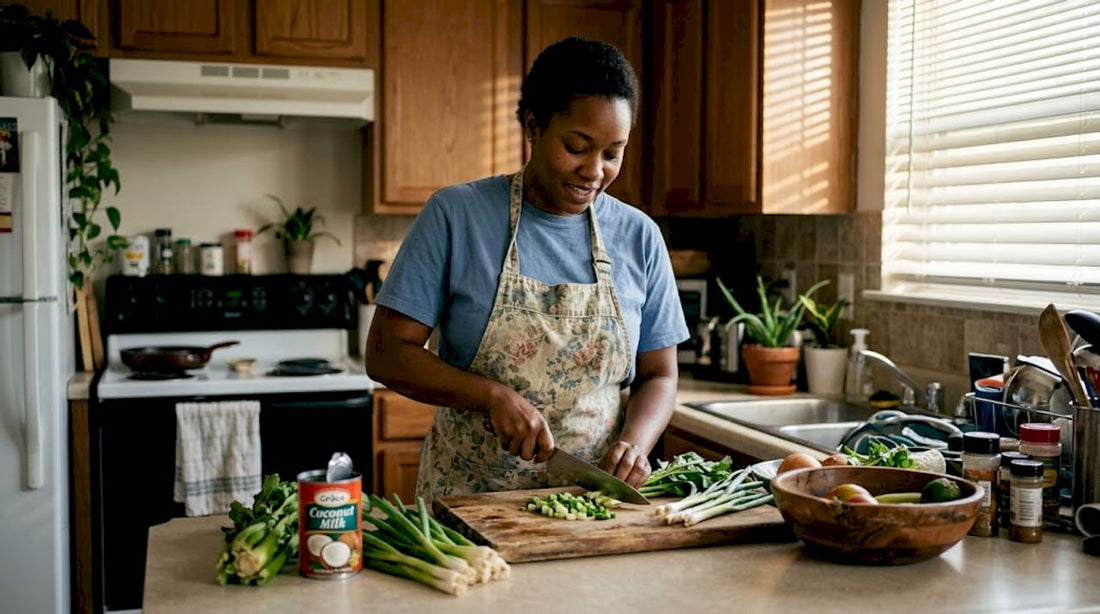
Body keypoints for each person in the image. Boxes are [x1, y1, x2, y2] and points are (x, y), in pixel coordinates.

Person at [365, 37, 688, 505]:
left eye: (613, 153)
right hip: (470, 503)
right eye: (577, 147)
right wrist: (490, 396)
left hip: (593, 502)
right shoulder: (457, 216)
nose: (594, 171)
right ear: (534, 126)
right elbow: (387, 353)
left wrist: (635, 444)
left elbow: (660, 374)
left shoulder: (638, 236)